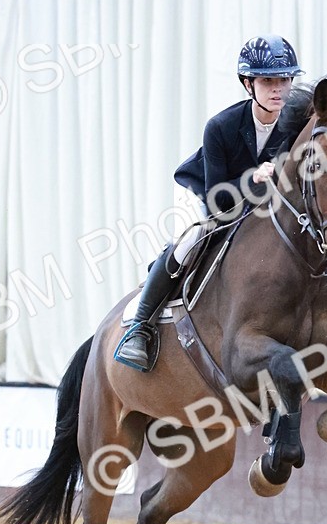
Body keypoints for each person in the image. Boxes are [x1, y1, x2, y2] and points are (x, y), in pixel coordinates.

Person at [114, 35, 303, 371]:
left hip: (257, 202)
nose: (278, 89)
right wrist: (253, 179)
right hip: (205, 192)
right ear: (248, 84)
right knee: (191, 237)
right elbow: (218, 200)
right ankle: (140, 327)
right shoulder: (220, 126)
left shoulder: (294, 127)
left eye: (284, 80)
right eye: (267, 81)